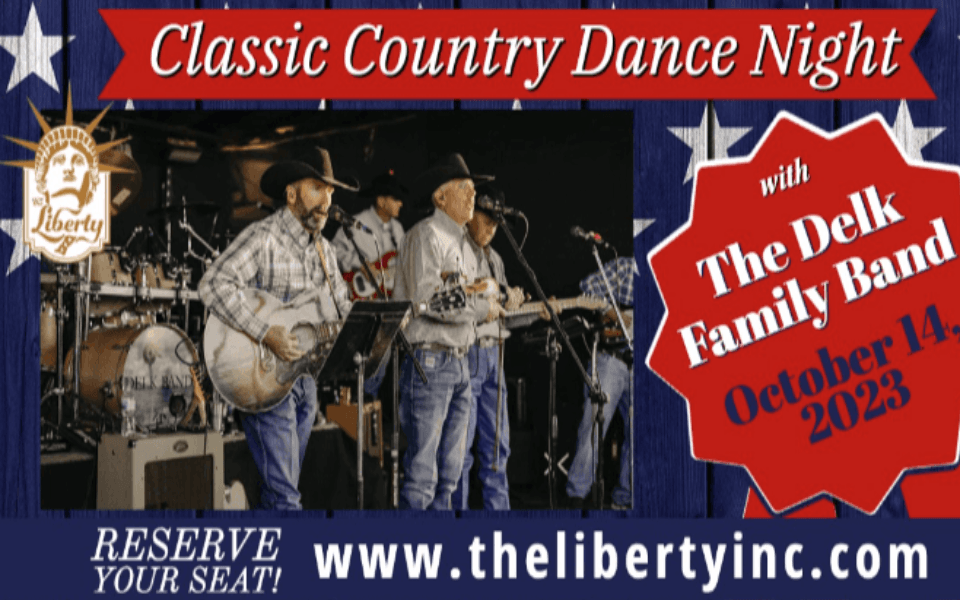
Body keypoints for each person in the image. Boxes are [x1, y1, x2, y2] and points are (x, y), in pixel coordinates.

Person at [198, 147, 356, 510]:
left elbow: (341, 308)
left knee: (279, 493)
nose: (327, 201)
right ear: (291, 194)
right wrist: (265, 331)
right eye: (318, 189)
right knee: (286, 498)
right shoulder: (263, 237)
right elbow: (213, 284)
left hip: (305, 382)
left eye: (331, 193)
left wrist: (370, 320)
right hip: (264, 380)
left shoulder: (325, 252)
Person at [393, 153, 504, 510]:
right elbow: (427, 299)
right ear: (440, 198)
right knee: (423, 475)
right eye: (465, 189)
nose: (474, 196)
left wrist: (478, 302)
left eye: (474, 190)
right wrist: (482, 308)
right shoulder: (426, 235)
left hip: (458, 361)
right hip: (430, 359)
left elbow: (457, 297)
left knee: (450, 475)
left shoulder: (460, 243)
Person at [452, 184, 526, 510]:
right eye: (487, 220)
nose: (492, 228)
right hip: (468, 354)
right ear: (472, 215)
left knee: (498, 447)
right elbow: (455, 303)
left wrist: (520, 303)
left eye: (497, 224)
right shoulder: (456, 249)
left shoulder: (495, 259)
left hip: (495, 352)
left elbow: (504, 314)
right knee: (461, 449)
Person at [565, 256, 634, 510]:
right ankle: (577, 495)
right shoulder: (626, 267)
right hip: (611, 359)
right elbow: (588, 285)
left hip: (644, 365)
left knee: (640, 433)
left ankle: (625, 498)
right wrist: (609, 311)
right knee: (593, 424)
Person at [331, 169, 407, 300]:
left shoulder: (398, 228)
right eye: (395, 199)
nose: (401, 203)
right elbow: (332, 253)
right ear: (381, 201)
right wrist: (361, 265)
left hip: (390, 298)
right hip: (359, 298)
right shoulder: (356, 224)